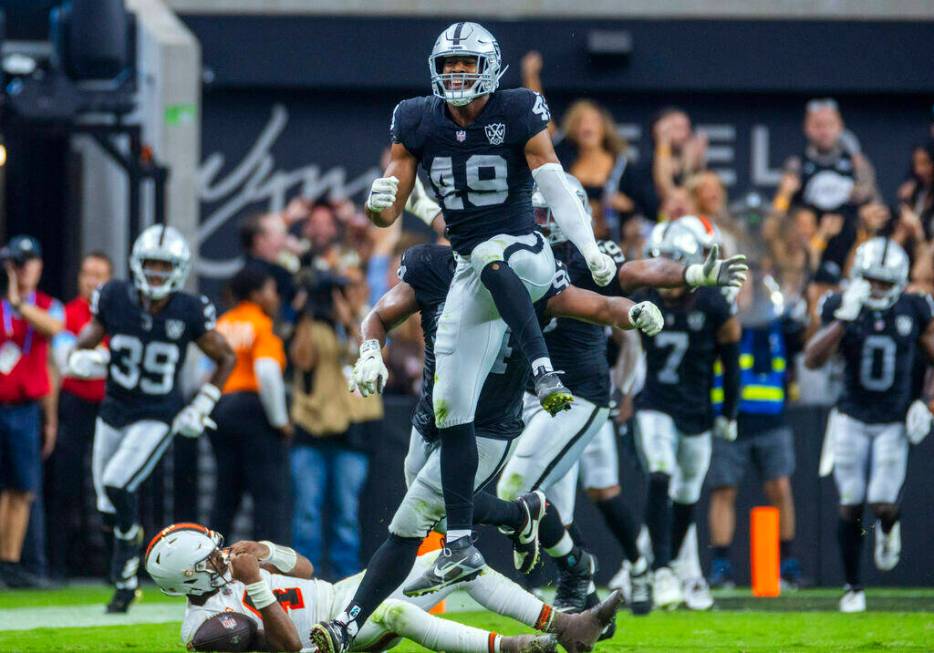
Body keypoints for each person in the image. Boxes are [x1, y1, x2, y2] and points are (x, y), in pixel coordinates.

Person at [361, 20, 618, 600]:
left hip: (523, 249)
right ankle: (461, 542)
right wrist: (380, 207)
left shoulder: (519, 108)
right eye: (447, 65)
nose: (455, 75)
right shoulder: (417, 117)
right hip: (470, 270)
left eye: (465, 65)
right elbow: (392, 203)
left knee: (496, 252)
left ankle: (541, 368)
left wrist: (587, 246)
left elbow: (552, 180)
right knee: (449, 407)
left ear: (490, 68)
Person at [311, 237, 664, 653]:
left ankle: (346, 625)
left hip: (487, 431)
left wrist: (632, 311)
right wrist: (370, 351)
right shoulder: (435, 267)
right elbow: (380, 315)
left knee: (411, 526)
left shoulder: (530, 277)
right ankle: (522, 520)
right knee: (443, 527)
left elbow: (601, 306)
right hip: (430, 421)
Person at [496, 177, 747, 615]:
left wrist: (691, 273)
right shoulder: (512, 255)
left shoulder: (590, 258)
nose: (533, 222)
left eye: (543, 214)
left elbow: (638, 271)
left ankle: (627, 568)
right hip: (532, 394)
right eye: (531, 212)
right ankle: (588, 597)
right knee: (556, 513)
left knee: (526, 489)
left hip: (578, 395)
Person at [67, 225, 236, 612]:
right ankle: (127, 575)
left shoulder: (189, 309)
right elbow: (82, 346)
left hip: (157, 415)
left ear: (178, 269)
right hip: (113, 411)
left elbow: (227, 356)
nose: (157, 274)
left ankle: (125, 568)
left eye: (165, 266)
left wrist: (203, 404)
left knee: (116, 483)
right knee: (108, 505)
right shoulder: (113, 297)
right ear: (137, 265)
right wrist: (83, 359)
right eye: (151, 265)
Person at [145, 523, 619, 653]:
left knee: (457, 560)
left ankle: (567, 626)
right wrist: (256, 587)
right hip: (321, 640)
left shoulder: (235, 569)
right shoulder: (207, 627)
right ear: (187, 576)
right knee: (398, 613)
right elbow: (289, 647)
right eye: (209, 557)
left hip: (338, 597)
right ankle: (516, 648)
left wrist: (269, 553)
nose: (220, 557)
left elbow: (308, 572)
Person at [804, 237, 934, 613]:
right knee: (850, 502)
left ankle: (890, 528)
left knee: (881, 503)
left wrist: (927, 402)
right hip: (850, 416)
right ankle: (852, 587)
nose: (877, 288)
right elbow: (812, 359)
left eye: (884, 281)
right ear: (859, 277)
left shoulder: (915, 307)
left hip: (893, 419)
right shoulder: (841, 305)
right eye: (871, 280)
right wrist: (845, 318)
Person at [631, 221, 741, 610]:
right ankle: (661, 570)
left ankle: (667, 565)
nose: (664, 273)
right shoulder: (645, 297)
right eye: (659, 263)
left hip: (696, 410)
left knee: (687, 494)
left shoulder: (713, 303)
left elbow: (731, 362)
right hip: (656, 403)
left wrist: (729, 409)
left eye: (673, 264)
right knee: (660, 473)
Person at [706, 266, 804, 590]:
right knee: (724, 490)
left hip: (771, 418)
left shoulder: (779, 322)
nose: (745, 290)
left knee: (781, 489)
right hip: (731, 416)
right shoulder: (724, 318)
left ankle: (786, 564)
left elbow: (803, 340)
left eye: (750, 284)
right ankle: (720, 566)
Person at [289, 269, 381, 580]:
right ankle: (304, 577)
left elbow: (371, 356)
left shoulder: (370, 321)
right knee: (307, 512)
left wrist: (347, 318)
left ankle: (346, 579)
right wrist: (305, 312)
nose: (339, 297)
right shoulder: (310, 326)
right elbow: (301, 359)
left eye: (349, 288)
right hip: (311, 431)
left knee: (346, 513)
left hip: (352, 432)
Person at [0, 235, 64, 588]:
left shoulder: (46, 305)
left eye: (26, 263)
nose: (21, 270)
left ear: (39, 266)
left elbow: (55, 330)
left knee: (22, 489)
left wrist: (50, 418)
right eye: (15, 263)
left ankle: (10, 562)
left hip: (25, 409)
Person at [210, 265, 291, 544]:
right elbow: (267, 373)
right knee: (266, 498)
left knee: (225, 496)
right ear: (256, 295)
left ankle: (209, 561)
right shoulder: (262, 325)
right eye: (270, 290)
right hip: (253, 412)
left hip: (220, 409)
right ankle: (268, 570)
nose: (275, 296)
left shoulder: (222, 323)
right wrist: (280, 421)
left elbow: (203, 372)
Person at [47, 251, 112, 580]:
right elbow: (66, 363)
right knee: (67, 484)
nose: (92, 280)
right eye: (87, 273)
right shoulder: (67, 313)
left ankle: (116, 565)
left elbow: (109, 362)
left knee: (112, 483)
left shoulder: (117, 316)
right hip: (74, 405)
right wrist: (101, 359)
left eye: (99, 274)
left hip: (109, 409)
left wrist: (88, 356)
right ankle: (59, 564)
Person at [240, 212, 296, 325]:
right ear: (259, 240)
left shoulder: (279, 270)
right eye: (279, 235)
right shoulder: (257, 274)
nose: (284, 242)